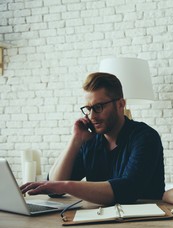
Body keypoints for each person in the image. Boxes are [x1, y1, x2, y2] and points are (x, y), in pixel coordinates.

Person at [20, 72, 165, 205]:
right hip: (99, 220)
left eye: (98, 107)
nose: (92, 116)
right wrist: (75, 140)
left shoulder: (146, 137)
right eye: (88, 109)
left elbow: (128, 190)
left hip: (145, 222)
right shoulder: (90, 141)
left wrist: (66, 185)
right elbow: (55, 188)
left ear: (121, 104)